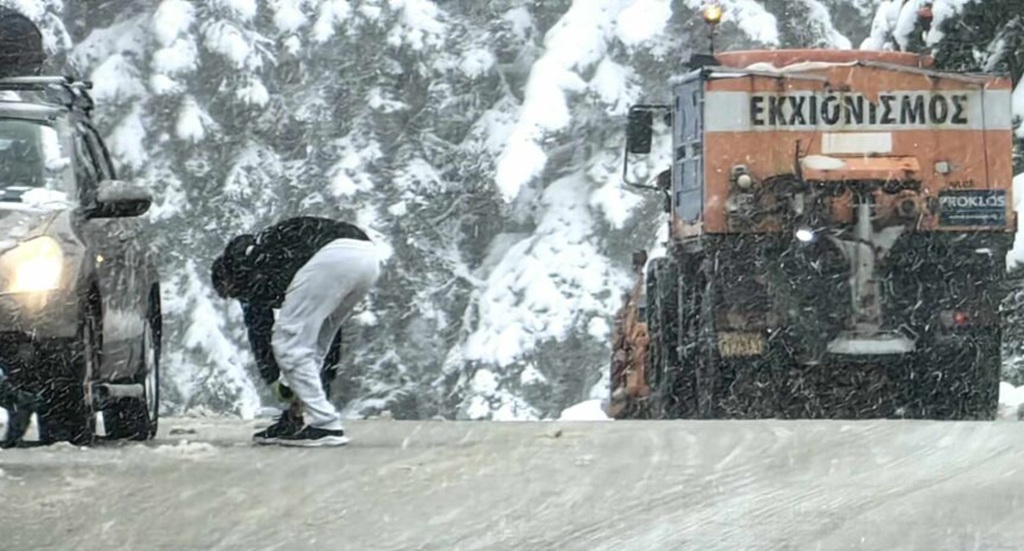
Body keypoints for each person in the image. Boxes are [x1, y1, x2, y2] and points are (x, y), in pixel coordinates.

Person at [211, 216, 381, 447]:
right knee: (315, 343)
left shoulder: (246, 271)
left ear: (227, 280)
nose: (239, 298)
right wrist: (295, 397)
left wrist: (276, 383)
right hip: (366, 256)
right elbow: (322, 346)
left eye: (233, 294)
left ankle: (325, 424)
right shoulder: (261, 254)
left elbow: (262, 332)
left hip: (333, 256)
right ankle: (302, 418)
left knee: (288, 345)